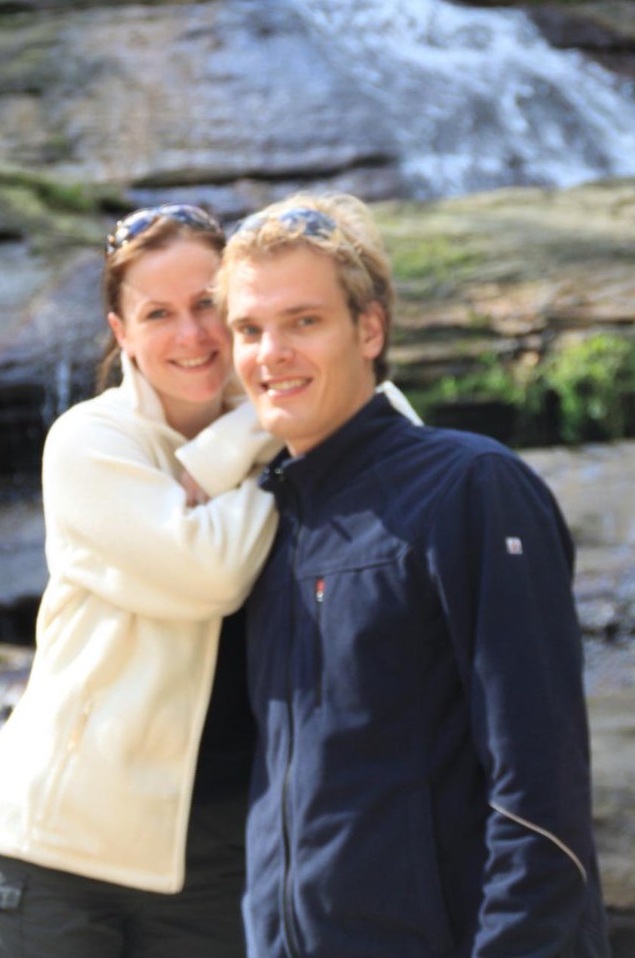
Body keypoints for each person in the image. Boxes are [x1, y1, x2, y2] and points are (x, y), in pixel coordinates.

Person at [216, 192, 611, 958]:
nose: (271, 354)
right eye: (249, 329)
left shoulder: (471, 486)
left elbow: (541, 788)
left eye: (304, 321)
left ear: (370, 329)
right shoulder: (262, 524)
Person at [0, 204, 281, 958]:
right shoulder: (89, 440)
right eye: (158, 313)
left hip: (218, 861)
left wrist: (254, 427)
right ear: (121, 332)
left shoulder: (280, 419)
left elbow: (382, 411)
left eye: (207, 303)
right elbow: (212, 574)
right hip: (57, 857)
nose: (192, 334)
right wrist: (282, 444)